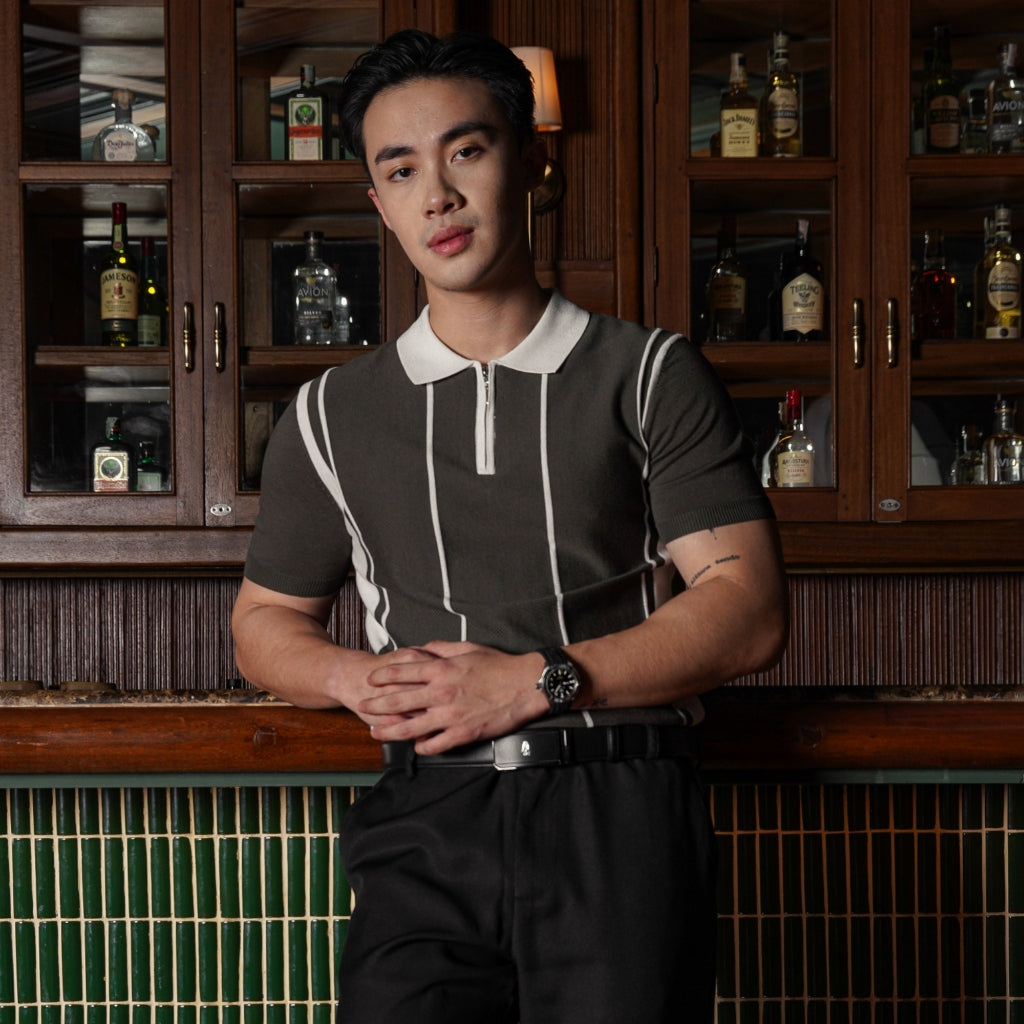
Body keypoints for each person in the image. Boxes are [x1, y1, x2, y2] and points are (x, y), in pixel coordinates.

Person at [232, 28, 788, 1024]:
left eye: (467, 151)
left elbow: (747, 610)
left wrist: (536, 680)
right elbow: (265, 621)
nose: (436, 196)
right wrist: (354, 679)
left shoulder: (649, 375)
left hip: (617, 812)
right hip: (426, 814)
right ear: (378, 203)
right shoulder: (328, 414)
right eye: (401, 170)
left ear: (532, 161)